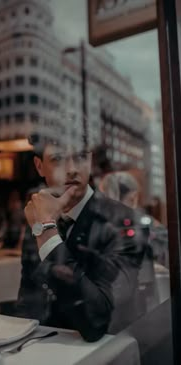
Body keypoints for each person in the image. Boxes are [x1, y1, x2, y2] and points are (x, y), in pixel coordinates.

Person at [16, 134, 148, 342]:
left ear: (90, 160)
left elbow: (96, 321)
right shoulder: (39, 215)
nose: (71, 169)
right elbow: (28, 299)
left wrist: (47, 230)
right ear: (39, 166)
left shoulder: (122, 220)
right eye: (58, 159)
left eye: (80, 157)